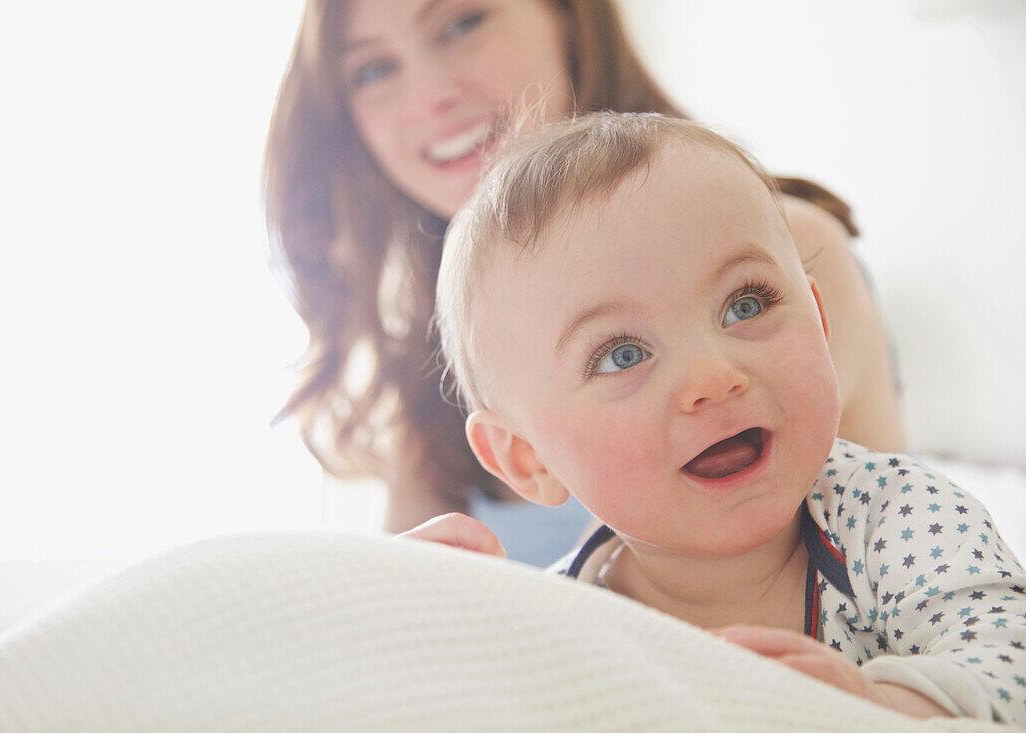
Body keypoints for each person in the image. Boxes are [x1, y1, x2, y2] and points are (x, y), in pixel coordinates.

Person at [417, 111, 1026, 723]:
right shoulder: (555, 625)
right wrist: (416, 627)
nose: (712, 374)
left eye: (746, 304)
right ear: (528, 458)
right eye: (622, 355)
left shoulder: (897, 516)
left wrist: (882, 707)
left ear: (818, 317)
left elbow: (1010, 664)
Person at [262, 0, 906, 565]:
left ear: (567, 15)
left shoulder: (781, 251)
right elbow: (403, 595)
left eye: (461, 22)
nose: (428, 94)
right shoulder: (434, 363)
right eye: (373, 70)